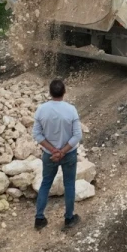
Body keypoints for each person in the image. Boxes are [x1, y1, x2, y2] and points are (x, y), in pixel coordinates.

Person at [33, 78, 82, 231]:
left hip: (49, 155)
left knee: (45, 184)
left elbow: (37, 134)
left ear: (50, 92)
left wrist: (53, 150)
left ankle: (39, 218)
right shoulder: (71, 110)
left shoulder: (41, 109)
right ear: (64, 92)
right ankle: (69, 218)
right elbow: (77, 136)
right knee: (69, 185)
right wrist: (62, 151)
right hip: (68, 154)